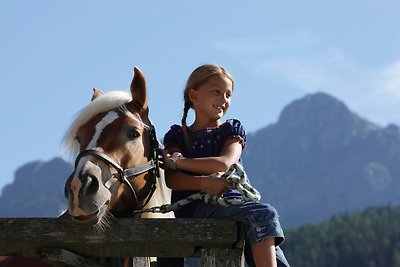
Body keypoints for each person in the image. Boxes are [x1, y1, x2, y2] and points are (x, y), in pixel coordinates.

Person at [162, 64, 290, 267]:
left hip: (235, 206)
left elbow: (223, 163)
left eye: (228, 95)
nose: (224, 100)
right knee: (263, 215)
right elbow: (172, 179)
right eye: (217, 92)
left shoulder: (231, 130)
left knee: (263, 232)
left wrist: (179, 162)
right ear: (193, 96)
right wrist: (203, 184)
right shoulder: (177, 136)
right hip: (197, 209)